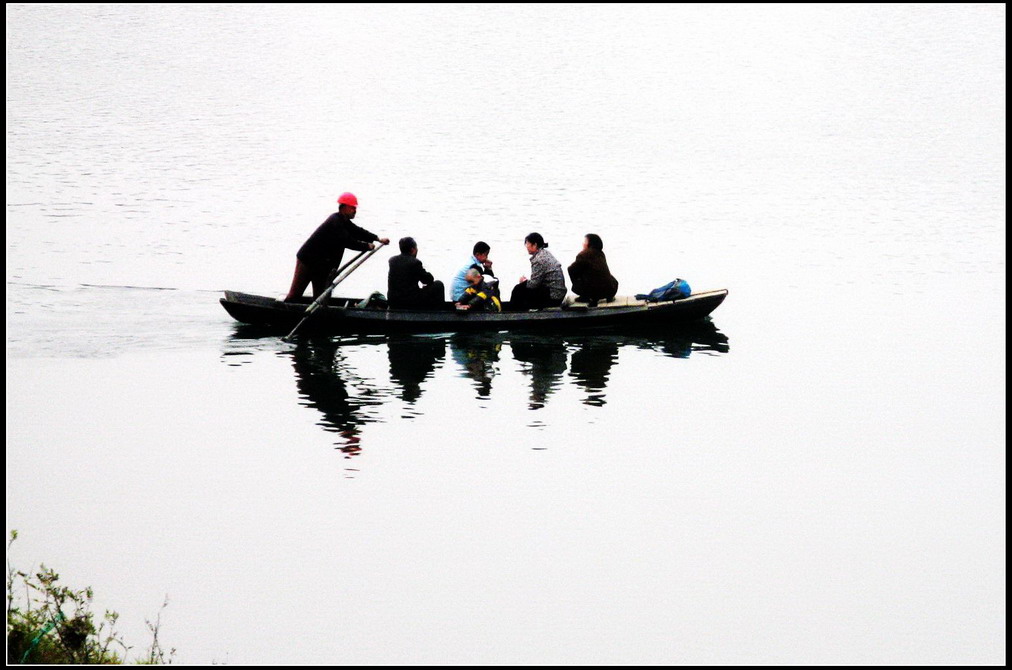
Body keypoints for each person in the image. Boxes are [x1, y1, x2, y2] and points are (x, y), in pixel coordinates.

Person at [285, 192, 390, 301]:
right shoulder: (334, 221)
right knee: (295, 295)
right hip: (308, 261)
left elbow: (358, 231)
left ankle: (318, 316)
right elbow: (347, 241)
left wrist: (377, 238)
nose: (355, 211)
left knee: (321, 298)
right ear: (344, 207)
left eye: (355, 208)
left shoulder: (344, 221)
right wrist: (366, 246)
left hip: (322, 266)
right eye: (352, 208)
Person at [509, 232, 566, 311]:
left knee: (518, 289)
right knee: (522, 288)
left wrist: (523, 282)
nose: (526, 246)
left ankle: (514, 313)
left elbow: (533, 285)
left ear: (534, 245)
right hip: (557, 293)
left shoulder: (539, 259)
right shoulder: (545, 253)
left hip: (553, 296)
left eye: (527, 244)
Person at [387, 237, 445, 310]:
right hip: (410, 301)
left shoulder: (392, 261)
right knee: (438, 284)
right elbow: (427, 280)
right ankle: (438, 313)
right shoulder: (415, 262)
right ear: (412, 250)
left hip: (393, 300)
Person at [567, 233, 619, 304]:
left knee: (579, 273)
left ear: (590, 244)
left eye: (585, 242)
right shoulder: (601, 254)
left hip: (594, 291)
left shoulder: (583, 254)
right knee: (603, 274)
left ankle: (585, 296)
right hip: (611, 290)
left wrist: (576, 283)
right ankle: (608, 296)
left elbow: (571, 269)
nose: (583, 244)